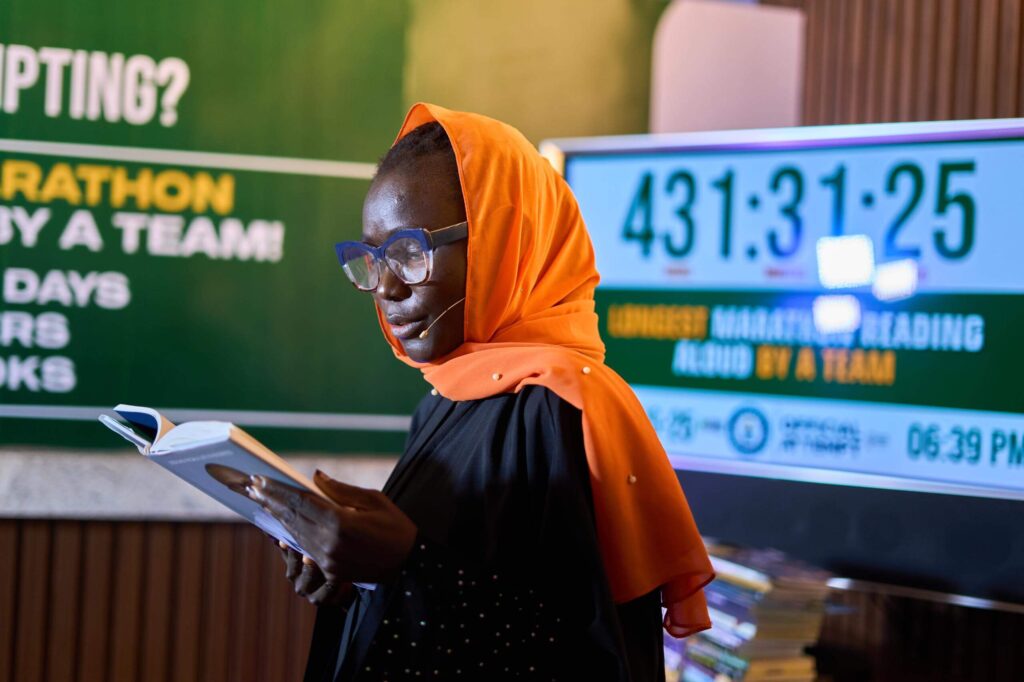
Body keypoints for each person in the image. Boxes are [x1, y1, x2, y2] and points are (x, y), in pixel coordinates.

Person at [240, 103, 714, 681]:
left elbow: (590, 659)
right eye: (374, 256)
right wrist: (354, 582)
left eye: (411, 251)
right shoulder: (442, 400)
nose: (385, 287)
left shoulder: (564, 411)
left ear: (506, 241)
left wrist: (405, 565)